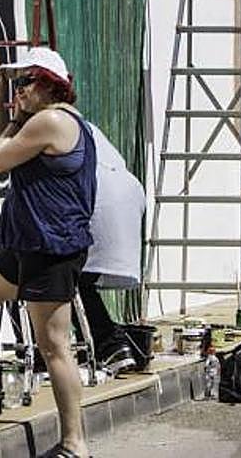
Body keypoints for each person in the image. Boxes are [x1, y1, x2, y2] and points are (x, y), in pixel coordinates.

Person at [0, 47, 96, 458]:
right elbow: (1, 152)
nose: (19, 90)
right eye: (17, 83)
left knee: (54, 346)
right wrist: (4, 103)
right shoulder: (46, 122)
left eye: (26, 82)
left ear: (51, 86)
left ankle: (75, 444)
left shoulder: (53, 121)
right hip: (27, 246)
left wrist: (0, 104)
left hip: (51, 248)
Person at [77, 123, 147, 373]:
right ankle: (110, 345)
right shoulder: (82, 125)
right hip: (124, 196)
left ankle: (108, 343)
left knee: (59, 279)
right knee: (78, 282)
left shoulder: (48, 123)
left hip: (97, 200)